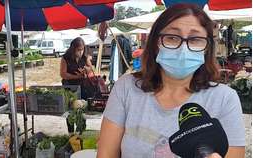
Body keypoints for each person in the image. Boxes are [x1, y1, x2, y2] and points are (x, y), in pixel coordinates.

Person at [97, 4, 245, 158]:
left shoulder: (225, 99)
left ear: (207, 48)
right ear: (156, 43)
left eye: (195, 39)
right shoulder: (126, 88)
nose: (183, 49)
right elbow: (106, 153)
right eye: (172, 38)